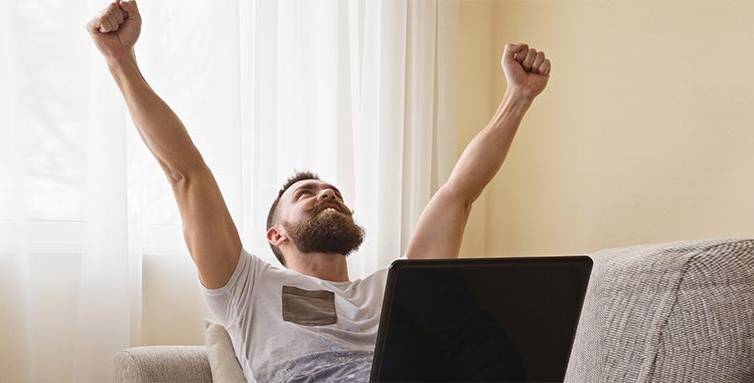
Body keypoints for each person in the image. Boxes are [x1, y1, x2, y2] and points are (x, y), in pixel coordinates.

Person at [86, 1, 550, 381]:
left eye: (334, 191)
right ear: (275, 235)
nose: (328, 194)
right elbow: (186, 173)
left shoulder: (395, 289)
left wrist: (519, 97)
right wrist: (121, 60)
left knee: (429, 288)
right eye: (307, 193)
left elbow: (459, 194)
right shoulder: (246, 287)